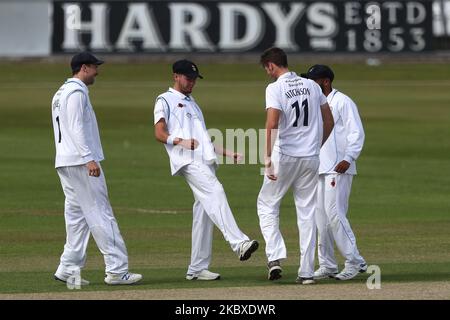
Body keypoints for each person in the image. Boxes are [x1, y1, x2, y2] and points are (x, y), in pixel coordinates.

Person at [153, 59, 259, 281]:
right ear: (175, 76)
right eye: (187, 78)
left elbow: (203, 140)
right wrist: (180, 141)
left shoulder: (193, 104)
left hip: (204, 160)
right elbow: (160, 133)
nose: (191, 82)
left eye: (194, 79)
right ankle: (239, 243)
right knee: (216, 191)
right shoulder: (164, 100)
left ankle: (197, 268)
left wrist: (229, 153)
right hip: (186, 161)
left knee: (204, 212)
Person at [51, 52, 142, 286]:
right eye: (94, 67)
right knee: (100, 212)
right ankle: (117, 270)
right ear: (83, 68)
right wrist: (88, 158)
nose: (97, 72)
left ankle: (68, 268)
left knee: (77, 217)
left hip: (66, 161)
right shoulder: (77, 92)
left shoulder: (60, 93)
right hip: (80, 162)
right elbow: (75, 127)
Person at [256, 48, 335, 284]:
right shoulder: (312, 85)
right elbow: (328, 120)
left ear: (271, 66)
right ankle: (307, 272)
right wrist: (316, 145)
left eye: (266, 69)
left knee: (267, 205)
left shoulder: (274, 88)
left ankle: (275, 257)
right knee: (307, 213)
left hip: (284, 156)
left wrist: (267, 157)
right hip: (310, 158)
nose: (267, 73)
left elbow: (272, 123)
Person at [300, 65, 367, 281]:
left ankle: (354, 261)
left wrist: (349, 158)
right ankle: (328, 264)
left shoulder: (343, 101)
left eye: (313, 80)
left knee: (335, 215)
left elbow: (356, 132)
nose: (309, 84)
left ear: (326, 82)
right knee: (321, 219)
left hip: (338, 167)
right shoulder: (314, 103)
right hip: (318, 168)